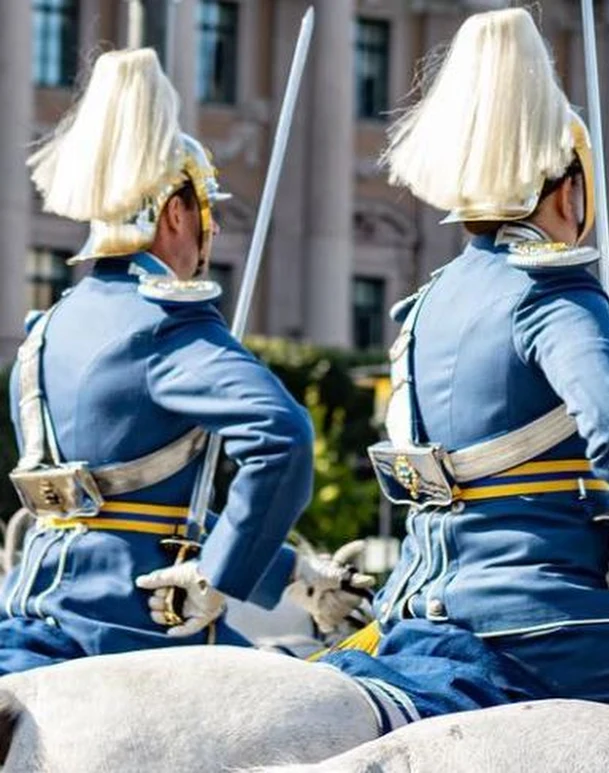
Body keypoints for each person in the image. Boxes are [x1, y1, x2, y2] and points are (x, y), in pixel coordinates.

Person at [319, 8, 609, 723]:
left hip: (421, 604)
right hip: (544, 621)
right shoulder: (552, 288)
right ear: (569, 188)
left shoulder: (429, 303)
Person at [1, 48, 367, 674]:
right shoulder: (166, 320)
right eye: (207, 210)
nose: (213, 230)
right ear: (176, 212)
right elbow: (282, 436)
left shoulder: (48, 330)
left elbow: (127, 507)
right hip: (134, 626)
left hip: (33, 606)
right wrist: (219, 577)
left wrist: (292, 574)